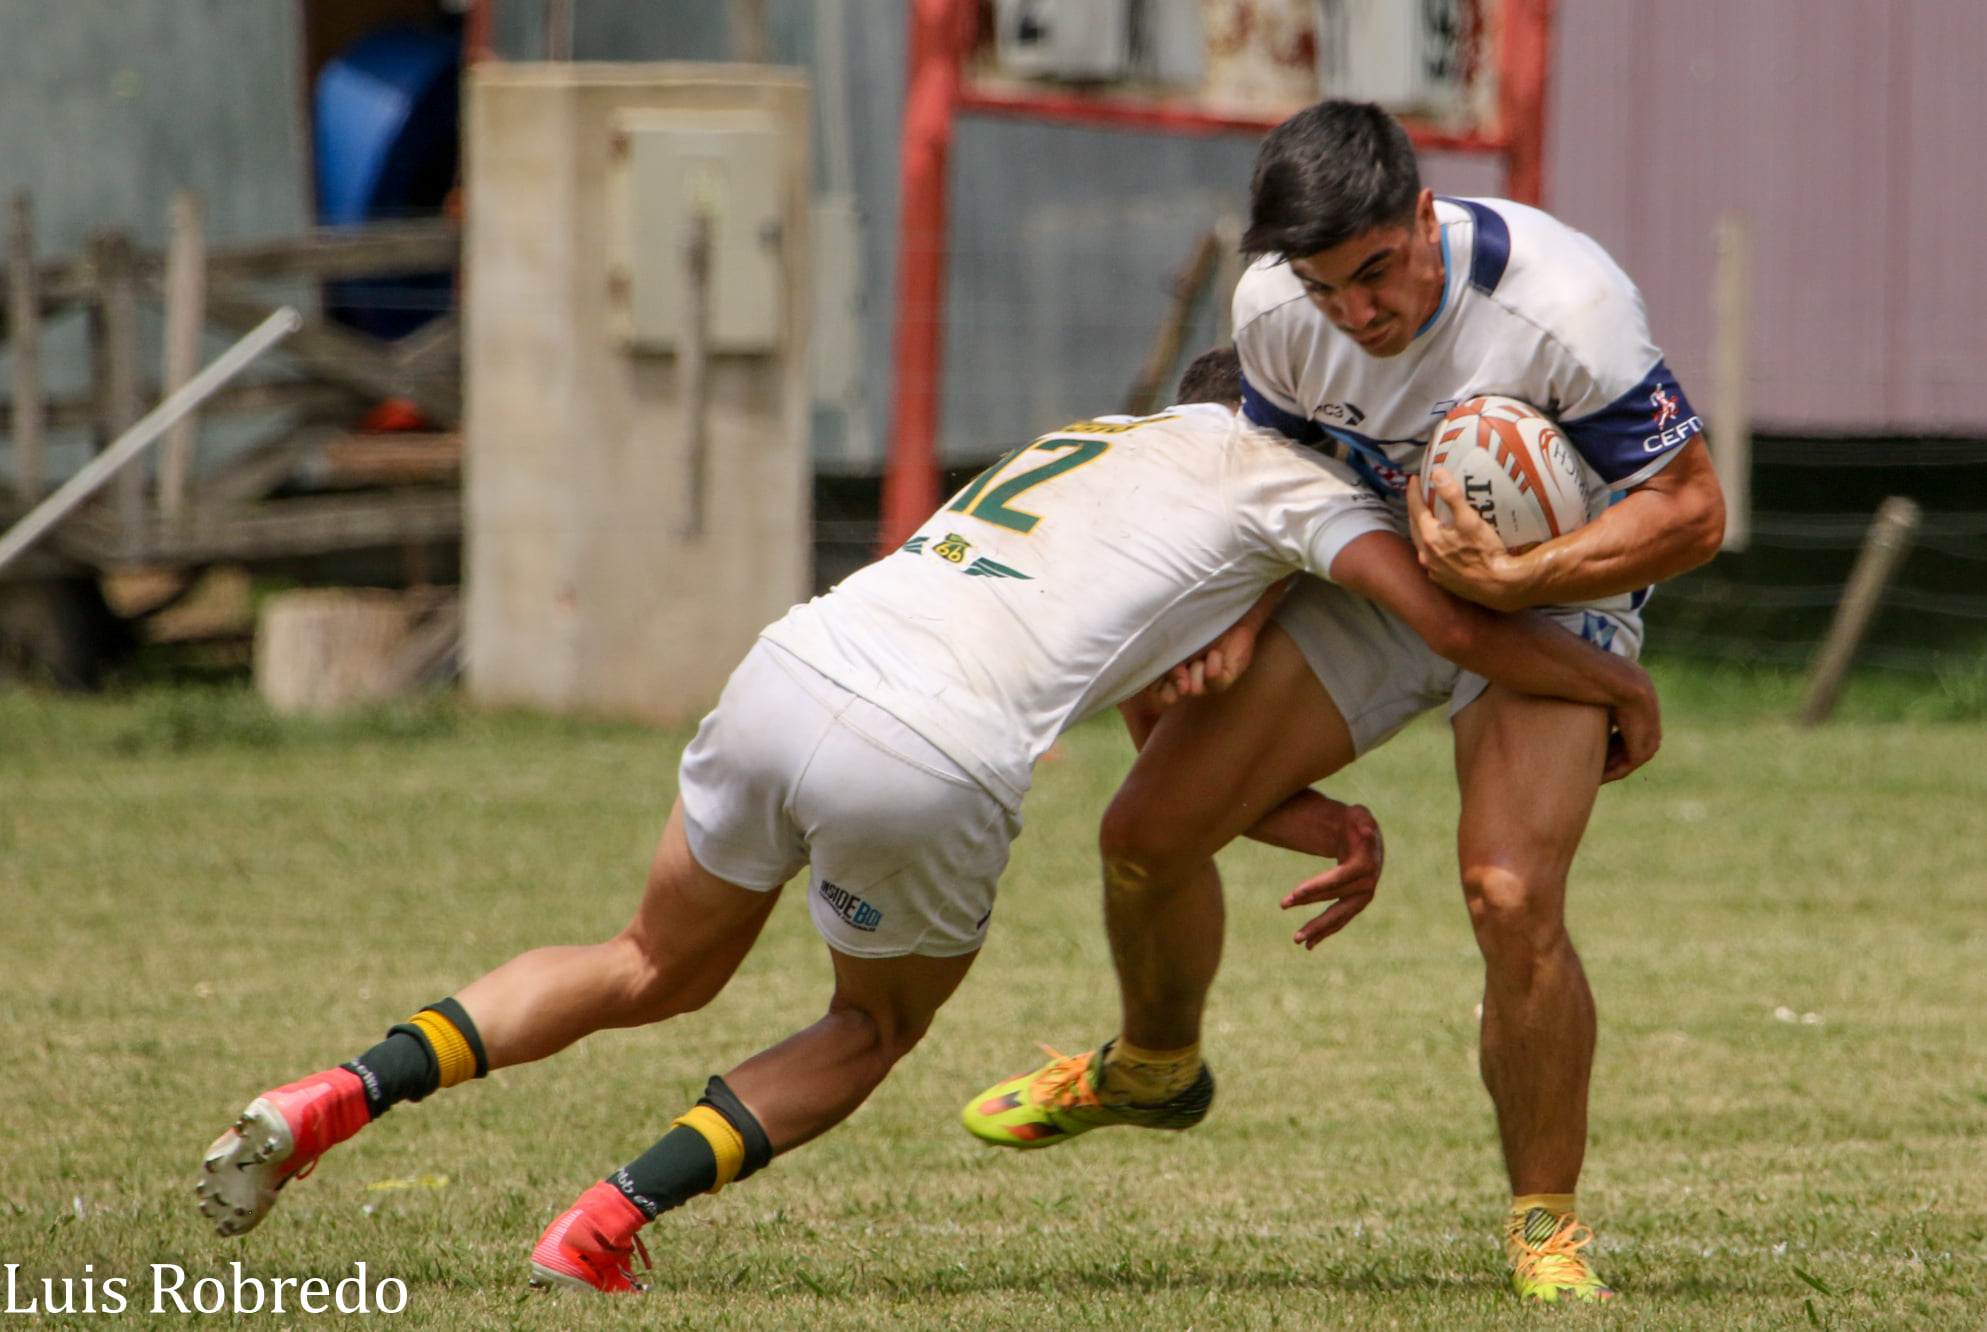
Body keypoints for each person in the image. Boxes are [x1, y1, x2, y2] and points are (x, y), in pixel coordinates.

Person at [962, 102, 1724, 1306]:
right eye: (1328, 289)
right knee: (1144, 835)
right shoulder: (1272, 311)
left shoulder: (1561, 302)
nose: (1359, 313)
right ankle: (1153, 1067)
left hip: (1552, 579)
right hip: (1376, 577)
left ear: (1423, 216)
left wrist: (1518, 578)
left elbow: (1690, 510)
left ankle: (1545, 1232)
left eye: (1377, 272)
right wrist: (1240, 623)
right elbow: (1275, 490)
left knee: (1509, 892)